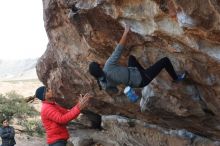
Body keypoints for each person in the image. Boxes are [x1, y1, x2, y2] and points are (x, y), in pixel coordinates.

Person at [89, 25, 186, 94]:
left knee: (131, 58)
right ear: (100, 66)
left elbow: (115, 91)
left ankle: (145, 71)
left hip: (133, 79)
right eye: (98, 63)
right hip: (142, 79)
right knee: (165, 61)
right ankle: (176, 78)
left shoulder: (103, 83)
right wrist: (126, 32)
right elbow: (119, 49)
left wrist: (119, 79)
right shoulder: (108, 66)